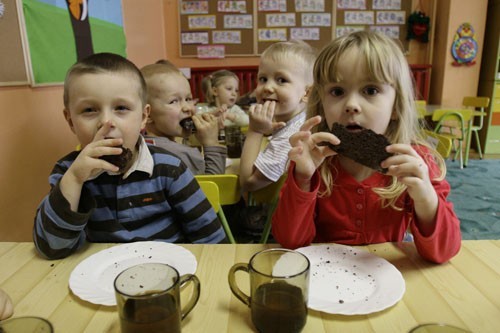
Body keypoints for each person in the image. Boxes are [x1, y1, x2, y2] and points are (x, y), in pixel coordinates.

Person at [272, 31, 461, 264]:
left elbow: (444, 252)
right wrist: (302, 178)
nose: (351, 105)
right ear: (322, 103)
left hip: (388, 279)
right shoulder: (313, 162)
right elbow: (290, 242)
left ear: (395, 105)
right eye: (337, 92)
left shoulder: (415, 164)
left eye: (370, 90)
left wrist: (426, 199)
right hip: (325, 278)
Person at [33, 53, 227, 260]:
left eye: (121, 108)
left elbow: (212, 240)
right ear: (70, 120)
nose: (106, 122)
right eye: (89, 110)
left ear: (143, 117)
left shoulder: (169, 169)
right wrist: (75, 179)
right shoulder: (68, 172)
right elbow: (51, 248)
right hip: (101, 277)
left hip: (168, 271)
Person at [239, 39, 317, 192]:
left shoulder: (292, 136)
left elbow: (248, 183)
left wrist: (255, 131)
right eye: (263, 79)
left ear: (307, 93)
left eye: (281, 80)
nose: (268, 87)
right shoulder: (299, 120)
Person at [141, 62, 227, 175]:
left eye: (188, 99)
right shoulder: (180, 155)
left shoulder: (142, 146)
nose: (187, 108)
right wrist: (211, 143)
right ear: (147, 115)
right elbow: (213, 188)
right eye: (174, 101)